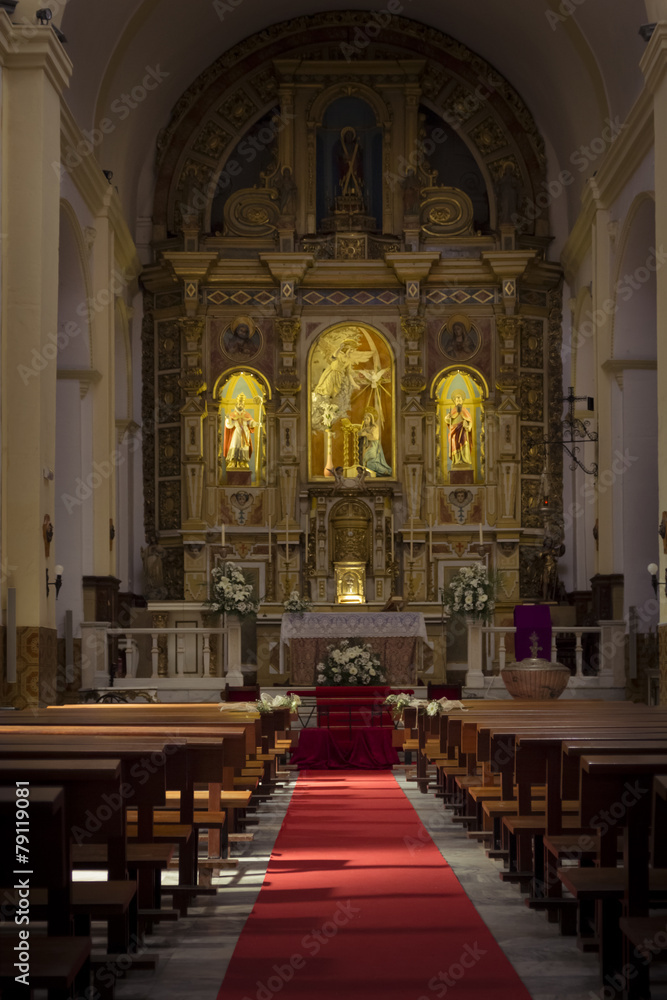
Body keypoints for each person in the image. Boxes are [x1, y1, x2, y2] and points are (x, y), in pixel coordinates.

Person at [224, 393, 256, 470]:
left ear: (244, 405)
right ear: (236, 404)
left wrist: (254, 423)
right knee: (235, 445)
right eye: (239, 403)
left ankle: (243, 462)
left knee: (244, 447)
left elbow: (250, 423)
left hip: (245, 433)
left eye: (242, 404)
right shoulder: (232, 414)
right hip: (236, 433)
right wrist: (228, 419)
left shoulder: (247, 415)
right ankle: (233, 462)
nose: (240, 405)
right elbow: (229, 425)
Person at [358, 409, 392, 476]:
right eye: (364, 419)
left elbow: (375, 437)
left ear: (371, 419)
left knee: (371, 463)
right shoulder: (364, 428)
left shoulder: (374, 427)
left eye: (367, 419)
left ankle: (386, 471)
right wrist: (360, 434)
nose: (365, 420)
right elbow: (358, 434)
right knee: (364, 462)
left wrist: (366, 434)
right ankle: (369, 474)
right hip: (365, 447)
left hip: (373, 446)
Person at [444, 391, 473, 468]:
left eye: (460, 400)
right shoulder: (453, 411)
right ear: (455, 402)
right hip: (454, 432)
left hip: (463, 431)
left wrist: (469, 427)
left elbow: (470, 421)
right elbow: (446, 419)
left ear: (462, 401)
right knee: (455, 444)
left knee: (464, 444)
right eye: (457, 400)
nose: (458, 401)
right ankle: (456, 461)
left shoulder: (465, 411)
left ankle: (465, 460)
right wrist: (448, 417)